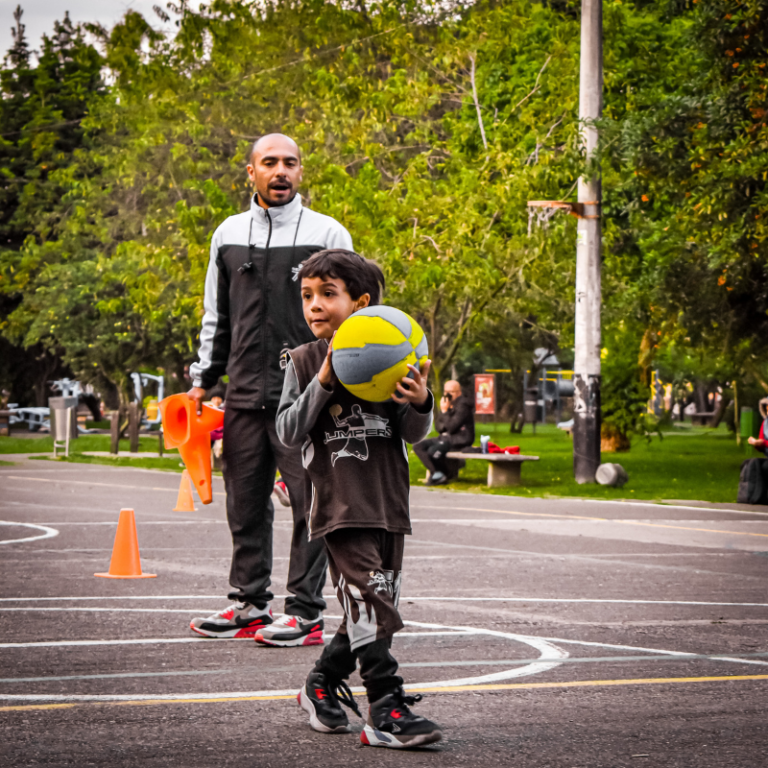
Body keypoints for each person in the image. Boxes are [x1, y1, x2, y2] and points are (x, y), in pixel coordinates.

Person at [187, 134, 353, 644]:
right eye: (270, 163)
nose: (281, 171)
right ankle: (249, 604)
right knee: (244, 502)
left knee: (309, 503)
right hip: (241, 391)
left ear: (301, 172)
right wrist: (201, 380)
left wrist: (341, 378)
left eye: (290, 163)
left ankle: (304, 612)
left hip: (306, 392)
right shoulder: (228, 234)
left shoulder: (327, 232)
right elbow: (218, 315)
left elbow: (351, 316)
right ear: (250, 172)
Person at [274, 248, 442, 749]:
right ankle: (386, 708)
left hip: (389, 505)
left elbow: (411, 433)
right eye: (307, 296)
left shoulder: (392, 360)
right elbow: (286, 430)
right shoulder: (304, 362)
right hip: (338, 508)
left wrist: (420, 402)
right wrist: (323, 383)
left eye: (329, 294)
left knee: (368, 607)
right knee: (370, 603)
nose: (314, 306)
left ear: (362, 303)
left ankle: (321, 682)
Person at [413, 379, 475, 485]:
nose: (448, 394)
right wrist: (443, 411)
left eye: (451, 392)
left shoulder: (463, 406)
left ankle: (441, 474)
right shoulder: (447, 404)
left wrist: (445, 412)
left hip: (459, 439)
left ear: (459, 392)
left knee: (433, 450)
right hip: (445, 438)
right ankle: (437, 473)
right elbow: (439, 427)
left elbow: (451, 427)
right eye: (446, 392)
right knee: (418, 446)